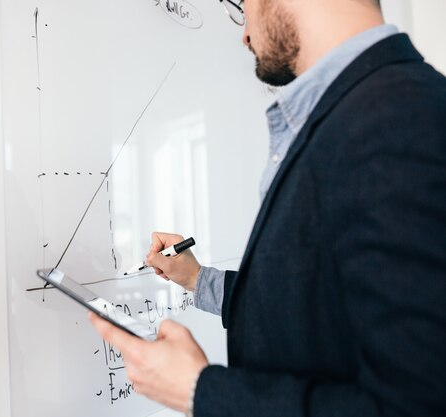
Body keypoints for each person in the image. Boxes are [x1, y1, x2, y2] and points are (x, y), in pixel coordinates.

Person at [89, 0, 446, 415]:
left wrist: (200, 392)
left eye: (242, 5)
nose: (243, 33)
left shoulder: (396, 121)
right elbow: (319, 308)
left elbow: (418, 405)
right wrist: (198, 278)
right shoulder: (371, 111)